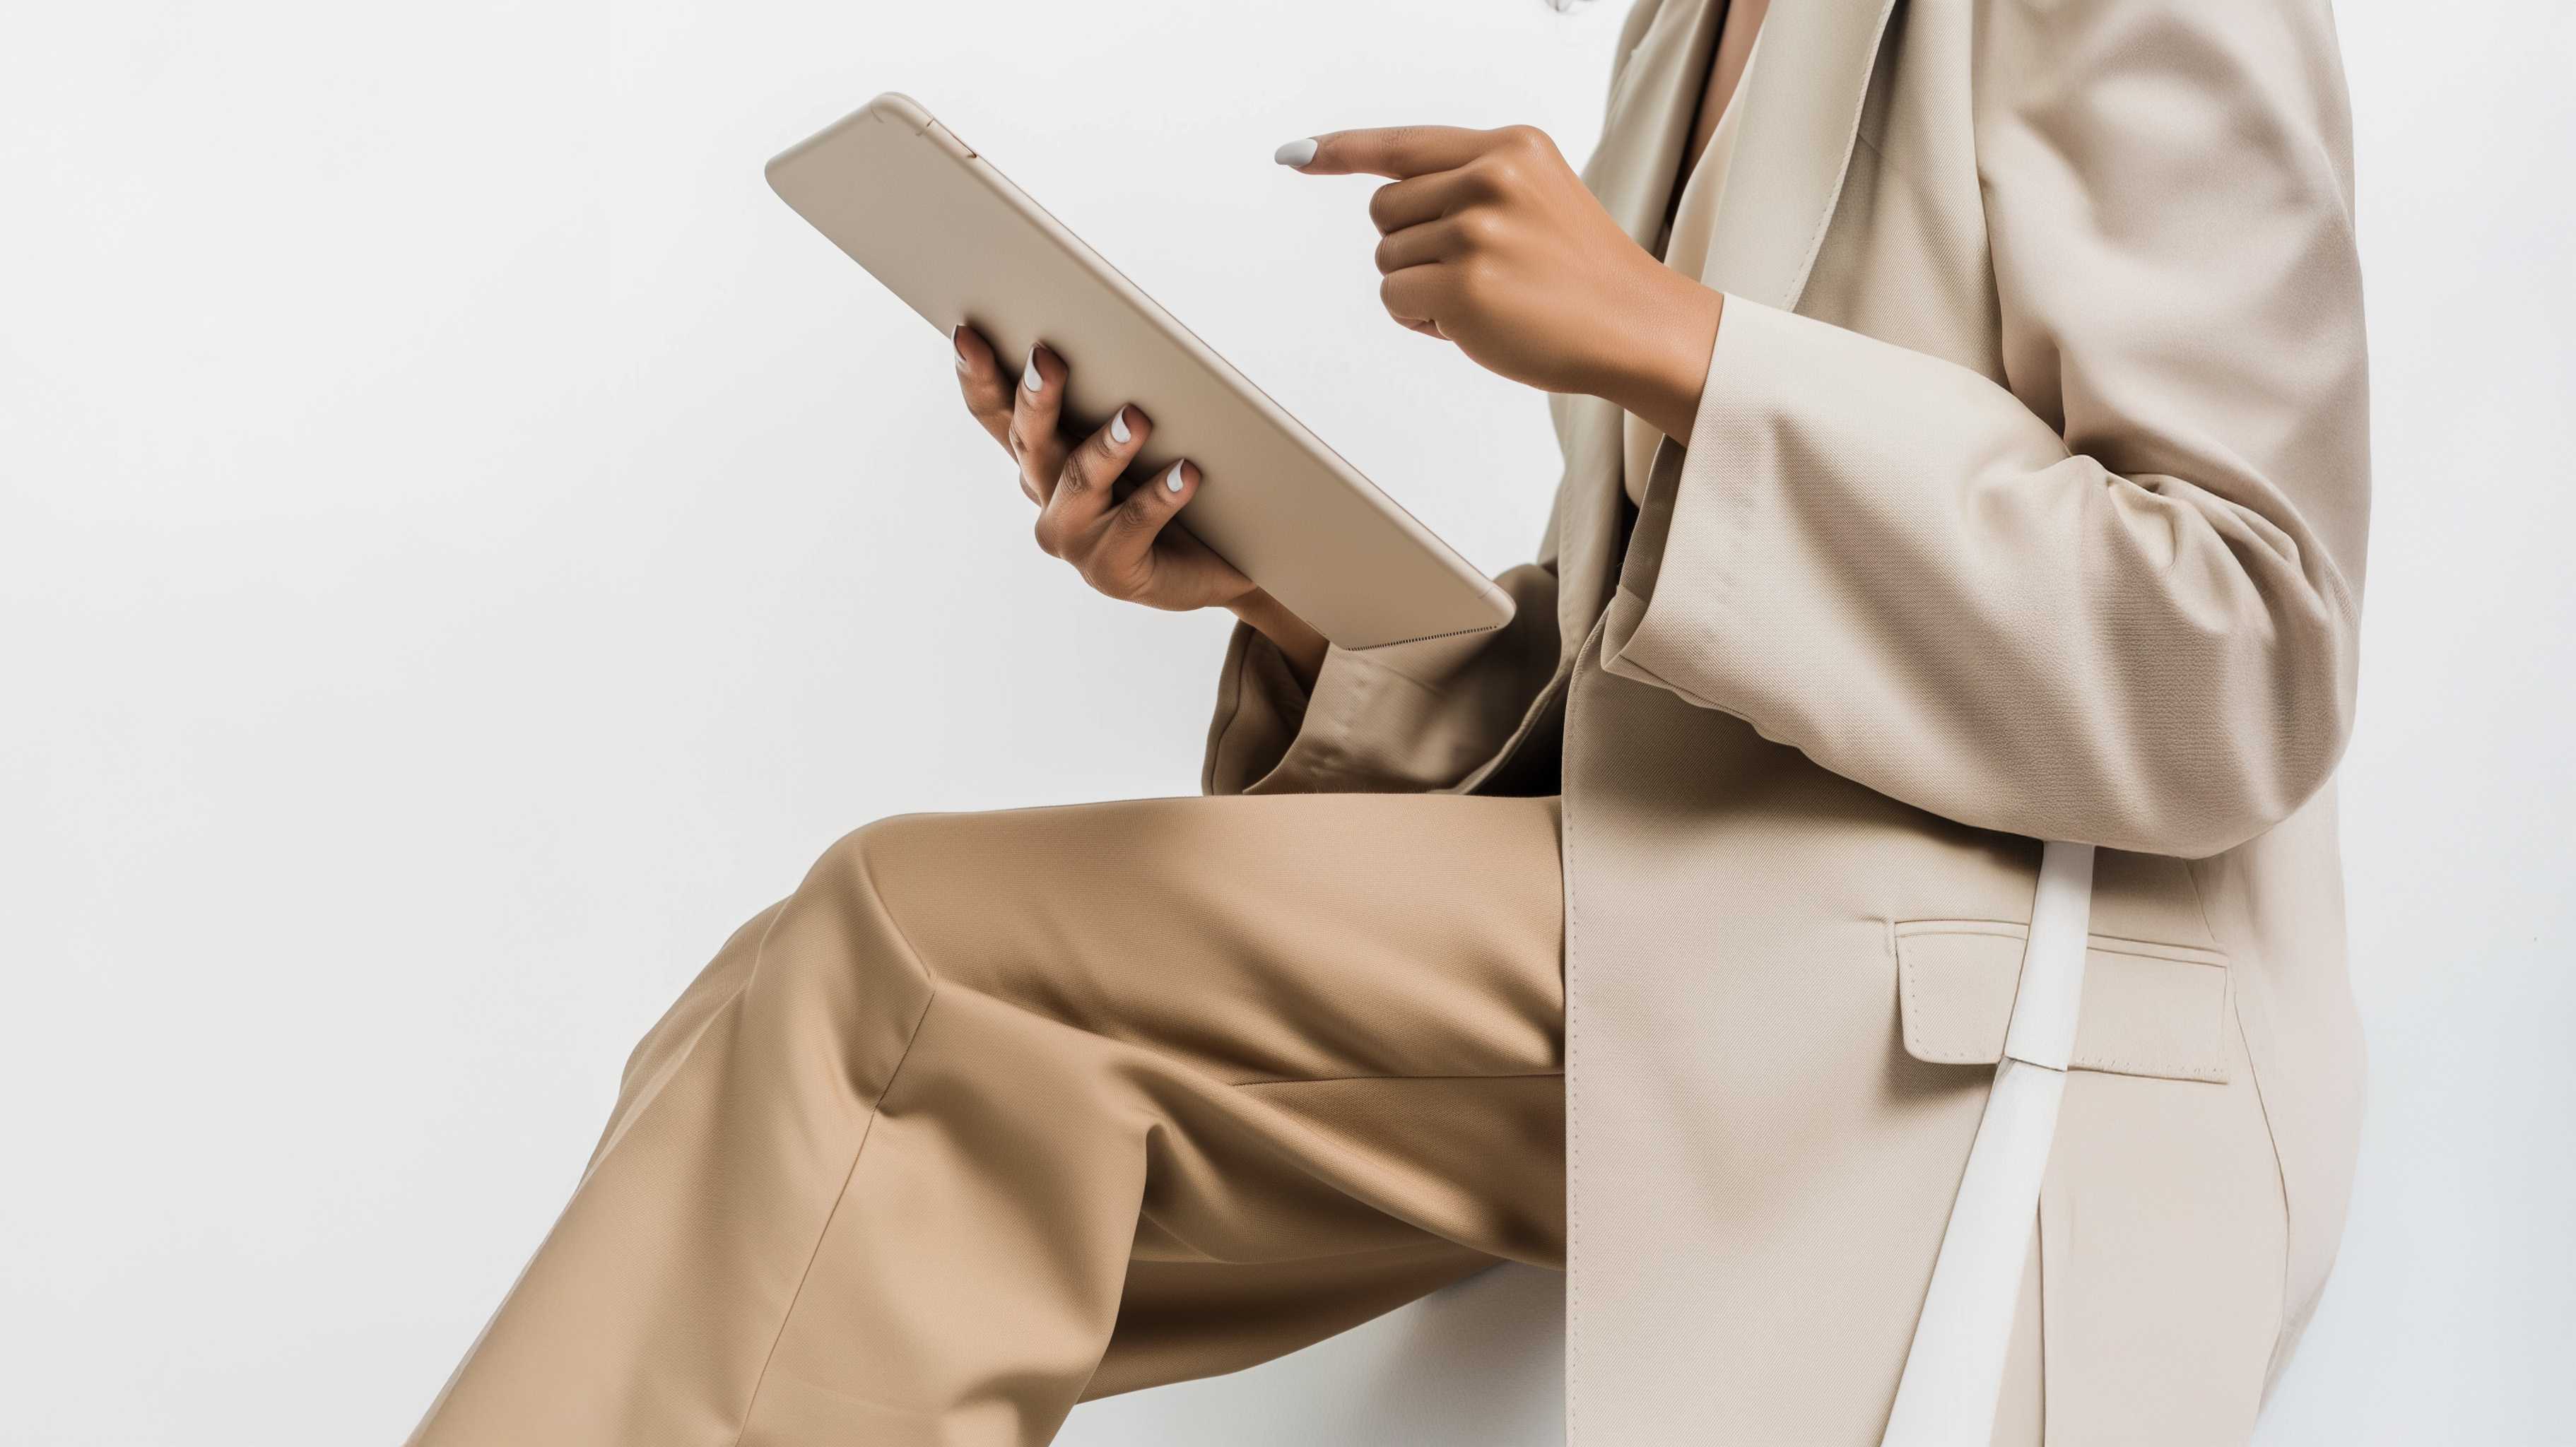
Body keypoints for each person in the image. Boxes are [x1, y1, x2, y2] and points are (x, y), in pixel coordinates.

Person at [406, 0, 2372, 1441]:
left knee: (901, 959)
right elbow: (1675, 659)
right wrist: (1271, 591)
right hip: (1701, 908)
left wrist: (1675, 341)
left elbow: (2250, 651)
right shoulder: (1688, 26)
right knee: (788, 1019)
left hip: (1971, 993)